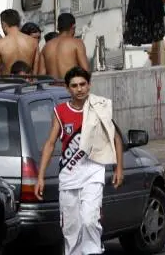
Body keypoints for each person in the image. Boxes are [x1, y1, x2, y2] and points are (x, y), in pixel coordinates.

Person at [35, 66, 124, 255]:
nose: (79, 89)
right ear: (68, 89)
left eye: (83, 84)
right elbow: (50, 143)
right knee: (71, 228)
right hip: (69, 175)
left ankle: (93, 251)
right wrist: (40, 177)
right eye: (74, 85)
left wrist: (119, 169)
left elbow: (116, 138)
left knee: (89, 219)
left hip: (93, 172)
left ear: (89, 85)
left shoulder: (99, 107)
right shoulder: (60, 111)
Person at [36, 13, 90, 79]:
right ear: (73, 26)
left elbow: (41, 77)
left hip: (52, 88)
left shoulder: (46, 47)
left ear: (58, 28)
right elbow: (85, 71)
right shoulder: (77, 43)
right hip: (70, 87)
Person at [0, 9, 39, 75]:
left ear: (4, 24)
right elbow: (36, 71)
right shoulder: (33, 42)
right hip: (27, 83)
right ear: (19, 23)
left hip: (9, 83)